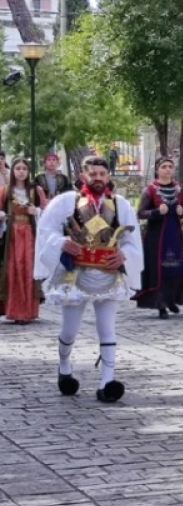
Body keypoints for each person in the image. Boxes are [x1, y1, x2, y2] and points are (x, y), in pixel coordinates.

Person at [35, 156, 143, 403]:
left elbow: (131, 239)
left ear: (108, 177)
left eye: (102, 174)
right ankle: (64, 368)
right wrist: (62, 242)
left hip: (107, 274)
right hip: (75, 275)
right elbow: (46, 229)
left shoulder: (120, 204)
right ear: (83, 175)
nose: (97, 178)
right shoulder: (67, 201)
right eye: (93, 174)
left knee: (107, 328)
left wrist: (124, 255)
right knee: (70, 330)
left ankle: (107, 382)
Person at [133, 157, 183, 319]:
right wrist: (157, 212)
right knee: (159, 268)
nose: (167, 169)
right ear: (157, 169)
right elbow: (141, 213)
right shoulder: (150, 190)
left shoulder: (179, 189)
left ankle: (172, 299)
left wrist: (182, 212)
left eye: (170, 167)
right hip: (156, 237)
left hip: (174, 234)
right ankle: (161, 304)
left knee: (176, 267)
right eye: (164, 166)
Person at [0, 158, 43, 323]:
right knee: (14, 268)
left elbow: (48, 212)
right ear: (13, 171)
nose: (21, 171)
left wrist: (36, 211)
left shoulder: (35, 190)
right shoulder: (5, 191)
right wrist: (2, 215)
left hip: (29, 233)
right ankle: (15, 310)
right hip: (12, 234)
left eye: (24, 168)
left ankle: (29, 310)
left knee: (28, 268)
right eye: (17, 168)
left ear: (28, 171)